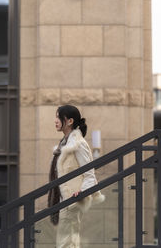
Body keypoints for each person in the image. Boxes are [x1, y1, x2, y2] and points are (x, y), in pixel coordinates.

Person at [48, 105, 105, 248]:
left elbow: (89, 174)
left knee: (67, 242)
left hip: (72, 200)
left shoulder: (78, 144)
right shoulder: (64, 144)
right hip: (62, 200)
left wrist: (82, 193)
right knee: (66, 242)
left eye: (58, 117)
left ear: (69, 121)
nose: (55, 120)